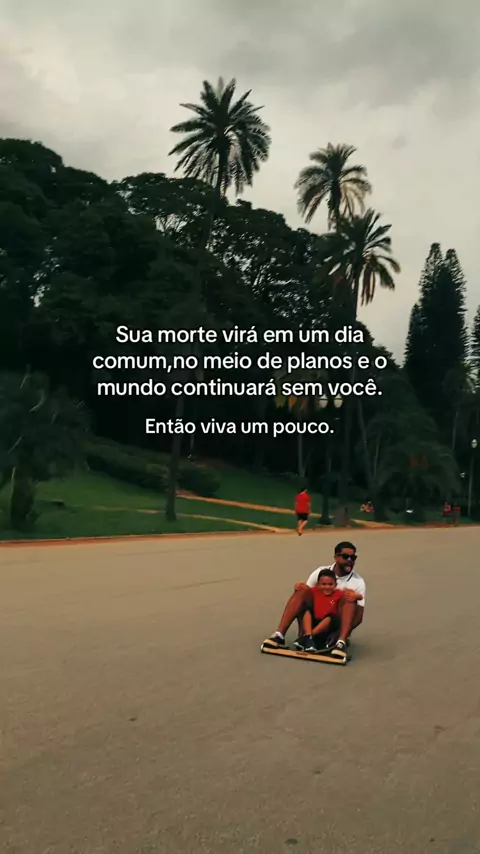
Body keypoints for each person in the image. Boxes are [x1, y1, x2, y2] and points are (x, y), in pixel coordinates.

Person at [262, 541, 366, 662]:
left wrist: (339, 633)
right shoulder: (320, 572)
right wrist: (300, 588)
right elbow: (306, 597)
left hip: (333, 623)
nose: (350, 560)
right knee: (302, 590)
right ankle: (280, 635)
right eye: (345, 556)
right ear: (336, 557)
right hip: (313, 619)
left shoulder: (357, 582)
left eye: (353, 557)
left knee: (350, 597)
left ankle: (340, 643)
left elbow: (358, 617)